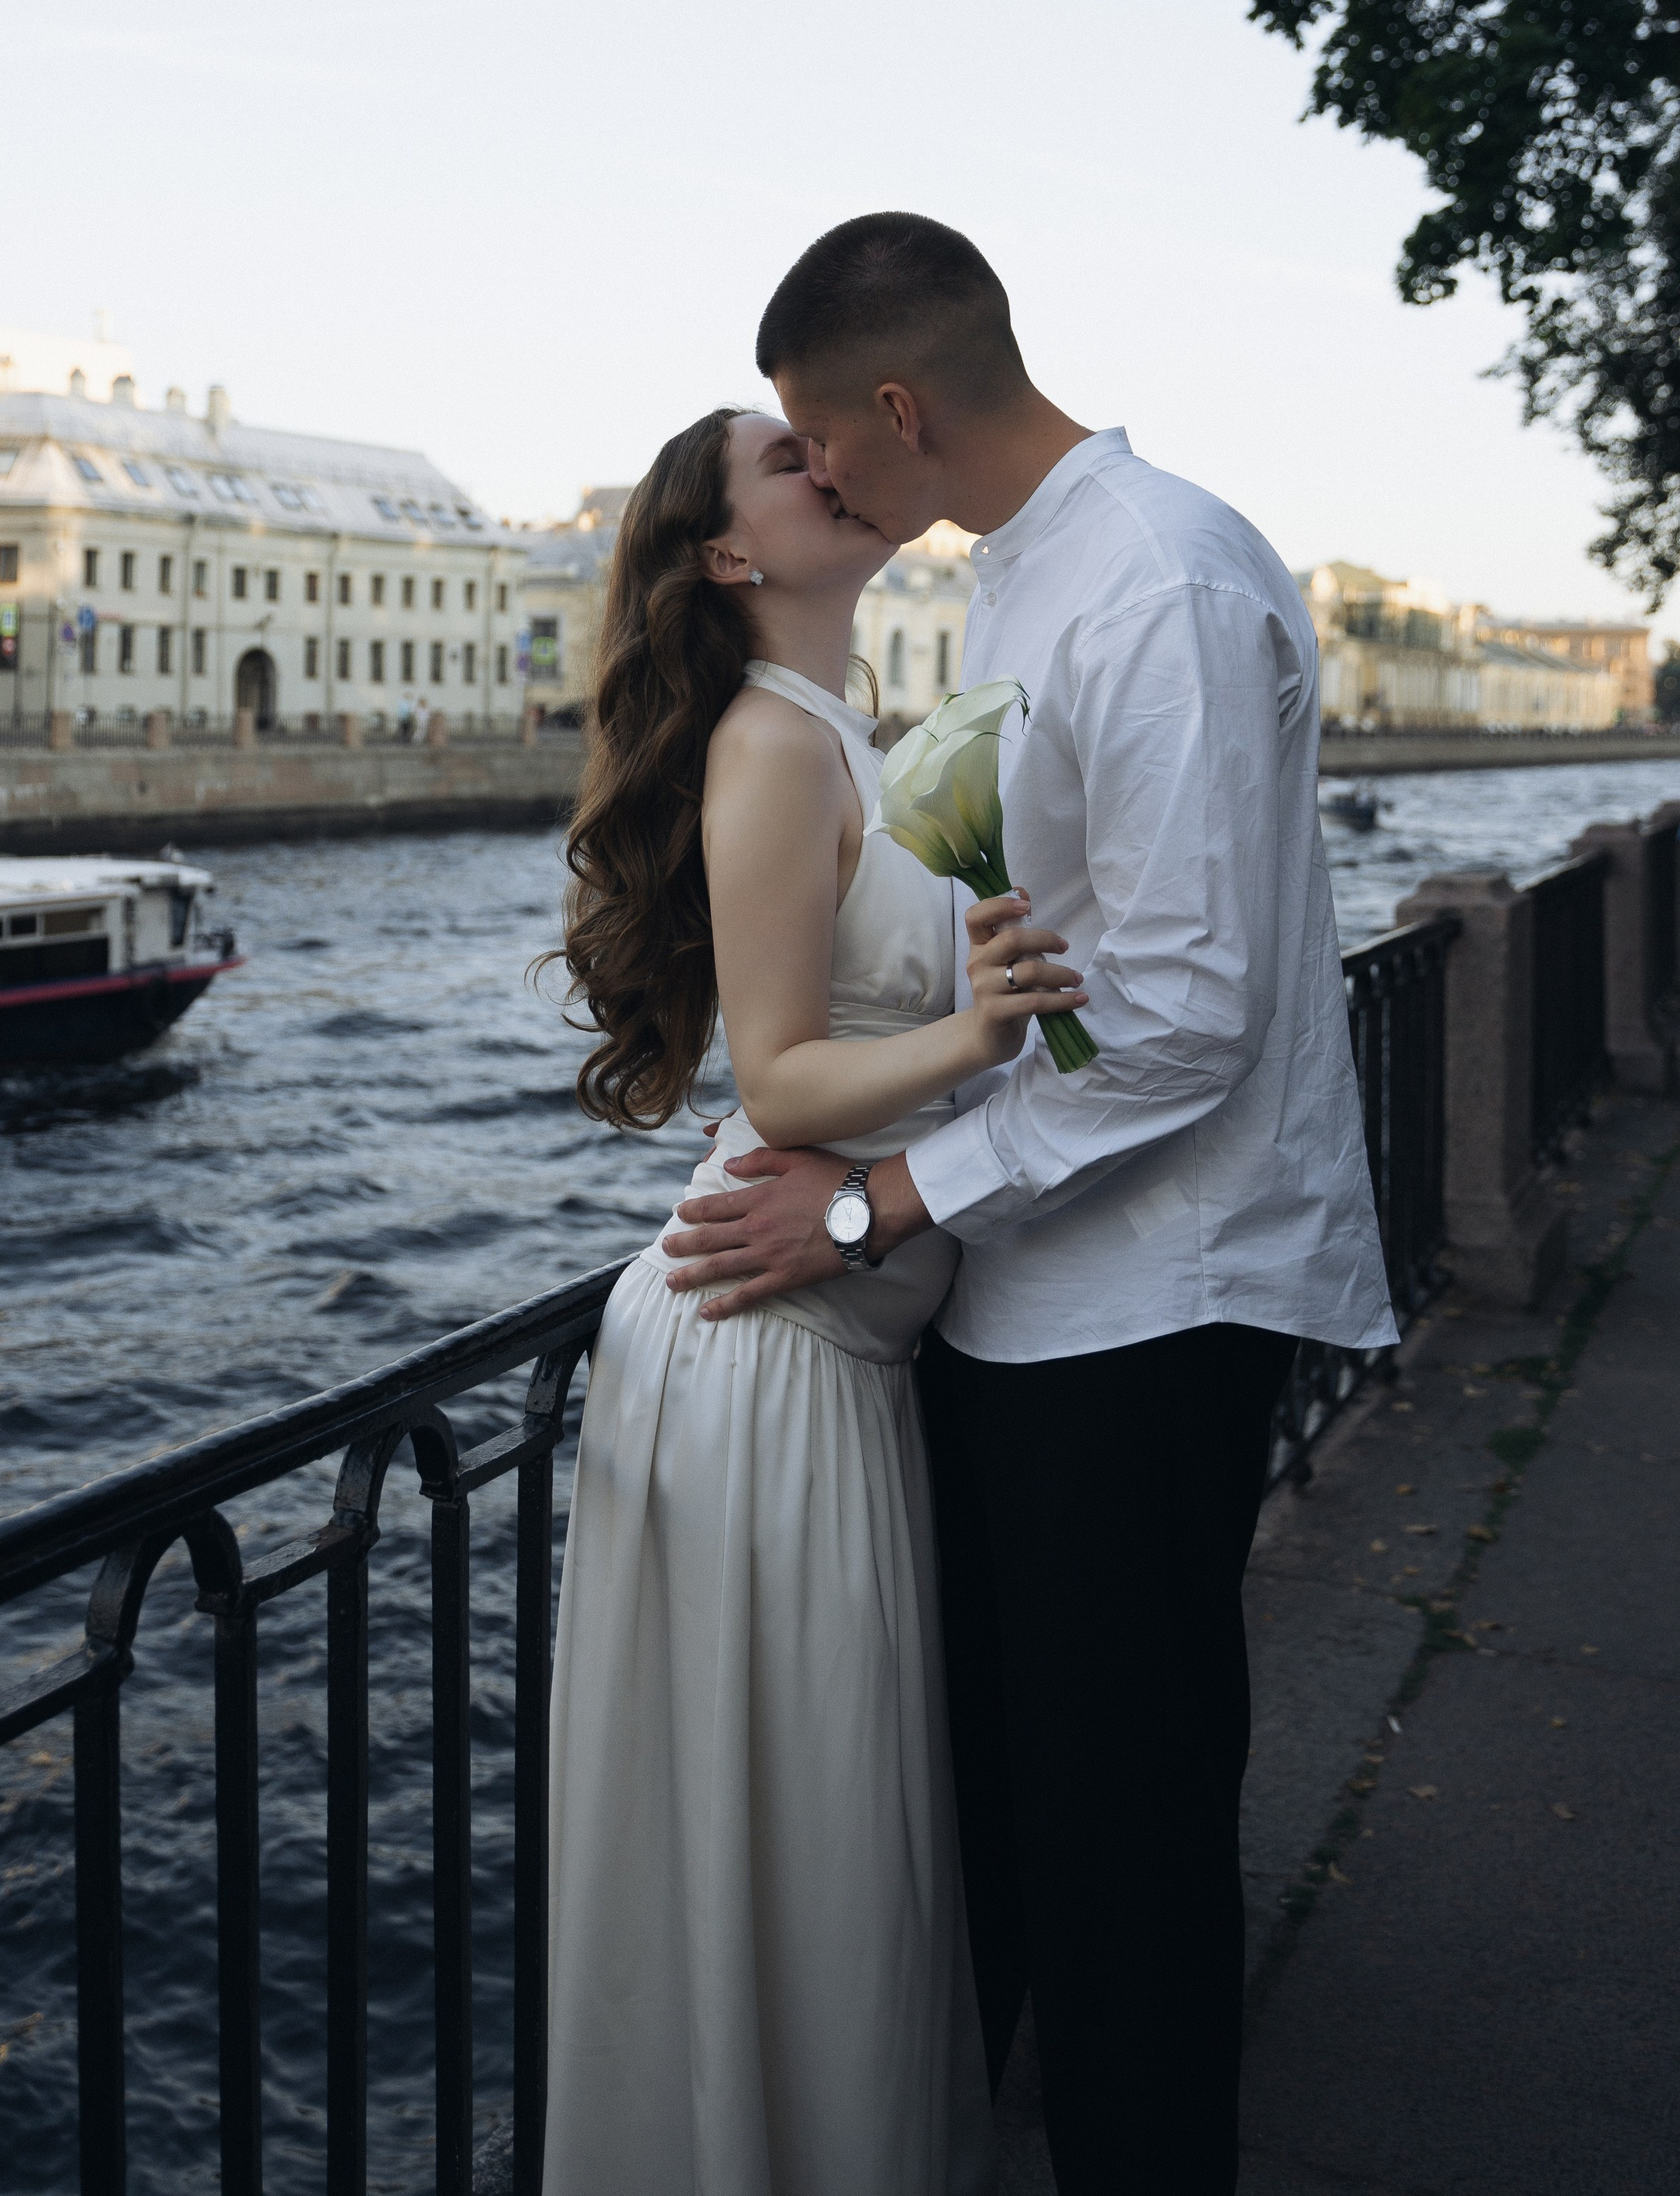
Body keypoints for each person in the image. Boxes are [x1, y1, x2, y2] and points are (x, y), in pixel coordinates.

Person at [664, 214, 1395, 2196]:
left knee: (1122, 1844)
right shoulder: (1022, 581)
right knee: (1027, 1808)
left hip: (1153, 1298)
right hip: (1037, 1287)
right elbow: (1032, 966)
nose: (824, 477)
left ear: (896, 408)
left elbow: (1174, 1021)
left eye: (823, 439)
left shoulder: (1153, 581)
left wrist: (868, 1207)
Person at [540, 403, 1085, 2196]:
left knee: (814, 1840)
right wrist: (977, 1031)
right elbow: (776, 1078)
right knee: (810, 1832)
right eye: (784, 459)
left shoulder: (845, 733)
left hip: (822, 1342)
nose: (826, 460)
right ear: (725, 553)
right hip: (759, 1349)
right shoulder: (773, 742)